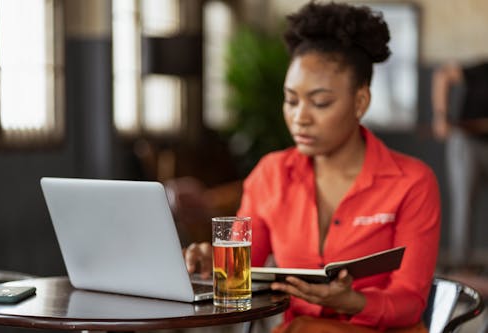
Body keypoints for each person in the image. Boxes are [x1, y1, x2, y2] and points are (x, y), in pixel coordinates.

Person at [186, 2, 441, 332]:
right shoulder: (270, 174)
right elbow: (244, 270)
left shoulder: (412, 182)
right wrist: (212, 265)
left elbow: (410, 302)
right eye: (291, 100)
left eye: (320, 102)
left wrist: (356, 303)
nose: (300, 117)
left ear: (360, 101)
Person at [431, 61, 488, 266]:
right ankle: (461, 265)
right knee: (464, 204)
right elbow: (442, 75)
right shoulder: (482, 69)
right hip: (467, 141)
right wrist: (441, 116)